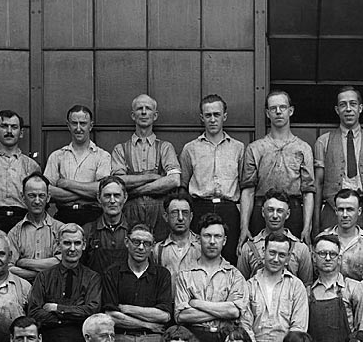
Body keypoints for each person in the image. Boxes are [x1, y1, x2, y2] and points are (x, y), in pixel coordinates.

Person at [174, 213, 248, 342]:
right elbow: (182, 315)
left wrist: (196, 303)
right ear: (198, 239)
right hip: (193, 341)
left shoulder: (234, 275)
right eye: (207, 236)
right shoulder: (185, 274)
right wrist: (222, 311)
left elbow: (234, 312)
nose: (212, 241)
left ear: (224, 240)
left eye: (217, 236)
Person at [240, 90, 315, 244]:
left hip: (293, 210)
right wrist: (244, 226)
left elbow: (308, 192)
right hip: (262, 210)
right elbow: (248, 191)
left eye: (283, 107)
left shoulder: (303, 148)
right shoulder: (255, 148)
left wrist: (307, 227)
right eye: (273, 108)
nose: (278, 112)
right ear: (267, 113)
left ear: (290, 111)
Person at [102, 223, 173, 342]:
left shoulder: (162, 274)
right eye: (136, 242)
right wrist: (148, 324)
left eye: (146, 243)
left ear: (152, 247)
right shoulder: (112, 273)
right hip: (120, 341)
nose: (141, 247)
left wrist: (126, 308)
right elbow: (110, 316)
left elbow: (164, 316)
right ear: (127, 242)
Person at [180, 94, 246, 264]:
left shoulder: (238, 148)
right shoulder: (190, 149)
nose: (212, 119)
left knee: (230, 256)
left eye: (217, 114)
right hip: (200, 207)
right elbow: (183, 185)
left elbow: (244, 186)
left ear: (225, 116)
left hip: (228, 208)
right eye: (208, 115)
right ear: (202, 117)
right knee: (198, 255)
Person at [313, 86, 363, 235]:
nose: (348, 109)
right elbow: (318, 184)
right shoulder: (323, 142)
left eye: (353, 104)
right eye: (343, 105)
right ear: (337, 110)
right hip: (333, 210)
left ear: (360, 108)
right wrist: (316, 222)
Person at [26, 223, 102, 342]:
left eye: (77, 243)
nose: (72, 249)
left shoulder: (92, 278)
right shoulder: (44, 277)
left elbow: (92, 311)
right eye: (67, 243)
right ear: (58, 245)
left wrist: (57, 308)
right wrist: (73, 315)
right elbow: (34, 312)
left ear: (84, 245)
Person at [111, 94, 181, 241]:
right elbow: (118, 183)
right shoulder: (120, 149)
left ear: (155, 116)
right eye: (139, 109)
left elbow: (174, 180)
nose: (143, 112)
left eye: (148, 109)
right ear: (133, 115)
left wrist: (135, 190)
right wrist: (153, 177)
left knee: (160, 248)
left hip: (160, 213)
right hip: (130, 211)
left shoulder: (165, 147)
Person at [307, 232, 363, 342]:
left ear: (339, 258)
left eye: (332, 254)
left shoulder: (353, 288)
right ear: (314, 257)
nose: (328, 258)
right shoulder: (307, 292)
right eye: (322, 253)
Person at [243, 232, 309, 342]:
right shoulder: (249, 286)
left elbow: (298, 328)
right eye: (272, 253)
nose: (276, 259)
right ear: (263, 252)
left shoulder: (296, 286)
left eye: (282, 255)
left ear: (288, 258)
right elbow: (245, 327)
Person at [45, 104, 112, 227]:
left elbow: (102, 190)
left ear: (90, 126)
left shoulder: (103, 156)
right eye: (74, 123)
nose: (78, 128)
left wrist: (67, 184)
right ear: (68, 125)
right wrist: (87, 193)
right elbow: (48, 191)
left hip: (93, 216)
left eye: (83, 123)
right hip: (63, 217)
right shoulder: (57, 156)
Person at [237, 189, 314, 283]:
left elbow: (307, 286)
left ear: (287, 214)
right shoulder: (248, 248)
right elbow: (241, 286)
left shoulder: (300, 248)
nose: (275, 216)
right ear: (263, 212)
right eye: (270, 210)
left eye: (280, 211)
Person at [7, 173, 65, 282]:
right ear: (23, 197)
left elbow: (63, 263)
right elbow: (9, 268)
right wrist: (40, 275)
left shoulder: (60, 229)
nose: (37, 201)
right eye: (32, 196)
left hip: (54, 287)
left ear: (48, 197)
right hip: (24, 288)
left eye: (41, 196)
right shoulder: (15, 232)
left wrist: (23, 262)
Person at [318, 188, 363, 282]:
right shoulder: (322, 239)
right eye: (341, 210)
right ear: (335, 211)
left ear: (359, 211)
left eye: (350, 209)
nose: (345, 215)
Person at [151, 190, 201, 295]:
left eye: (185, 213)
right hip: (168, 302)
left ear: (191, 216)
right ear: (166, 216)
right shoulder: (158, 250)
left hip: (196, 303)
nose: (180, 218)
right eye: (174, 213)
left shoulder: (202, 245)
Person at [82, 176, 129, 275]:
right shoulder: (88, 231)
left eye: (117, 195)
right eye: (107, 196)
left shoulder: (133, 231)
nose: (112, 200)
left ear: (125, 198)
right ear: (99, 198)